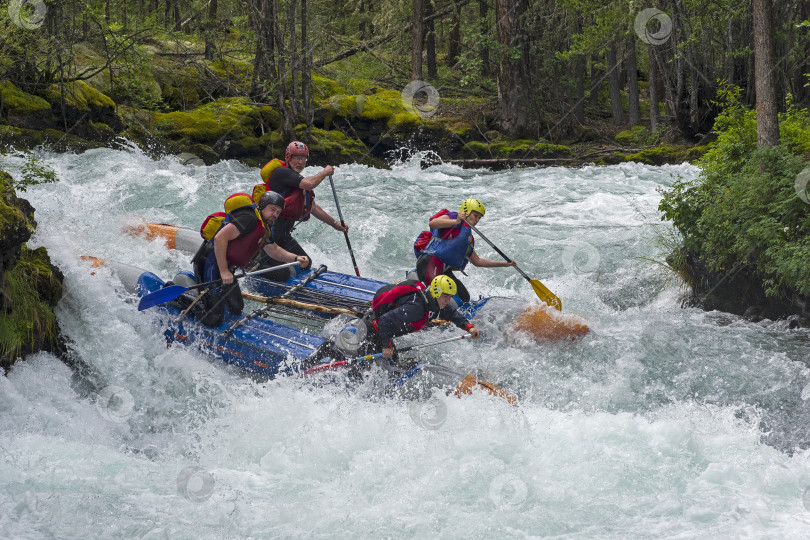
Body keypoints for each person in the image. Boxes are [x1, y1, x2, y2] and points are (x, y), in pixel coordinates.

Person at [192, 191, 310, 327]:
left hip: (226, 270)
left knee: (237, 308)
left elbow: (274, 250)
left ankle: (212, 303)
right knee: (214, 319)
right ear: (262, 206)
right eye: (272, 209)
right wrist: (224, 271)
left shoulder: (264, 227)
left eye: (278, 212)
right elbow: (220, 238)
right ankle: (183, 299)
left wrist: (295, 258)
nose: (275, 215)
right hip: (209, 264)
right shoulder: (249, 219)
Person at [252, 141, 348, 273]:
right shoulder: (282, 173)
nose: (300, 162)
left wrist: (334, 224)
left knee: (305, 263)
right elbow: (309, 184)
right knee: (281, 272)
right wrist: (324, 173)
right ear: (288, 158)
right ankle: (254, 262)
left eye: (303, 158)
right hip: (271, 232)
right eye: (296, 158)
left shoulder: (299, 181)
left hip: (283, 234)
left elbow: (312, 207)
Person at [412, 198, 516, 305]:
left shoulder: (468, 238)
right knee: (437, 296)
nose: (476, 220)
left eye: (479, 218)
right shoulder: (453, 217)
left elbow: (477, 261)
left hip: (443, 270)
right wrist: (456, 221)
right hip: (429, 263)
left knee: (464, 297)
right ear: (466, 211)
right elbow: (433, 223)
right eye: (475, 215)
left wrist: (505, 264)